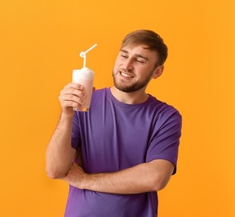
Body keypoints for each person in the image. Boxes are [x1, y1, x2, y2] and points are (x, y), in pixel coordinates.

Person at [45, 29, 182, 217]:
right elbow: (54, 169)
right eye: (124, 55)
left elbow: (156, 177)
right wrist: (66, 115)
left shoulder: (165, 116)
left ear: (157, 71)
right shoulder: (85, 104)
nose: (127, 66)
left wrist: (85, 181)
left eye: (140, 60)